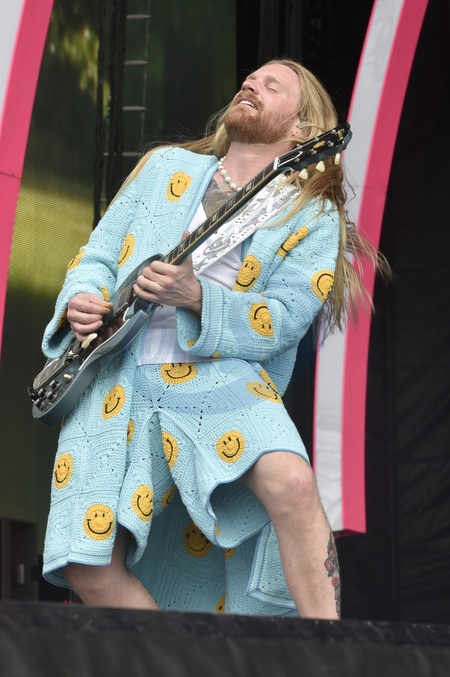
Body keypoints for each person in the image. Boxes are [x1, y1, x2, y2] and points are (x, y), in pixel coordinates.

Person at [41, 58, 381, 619]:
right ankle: (185, 659)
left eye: (272, 86)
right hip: (112, 381)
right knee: (85, 562)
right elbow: (97, 254)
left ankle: (334, 651)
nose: (251, 84)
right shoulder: (164, 168)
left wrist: (199, 297)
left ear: (302, 128)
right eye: (251, 79)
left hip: (215, 374)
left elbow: (286, 317)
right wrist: (82, 298)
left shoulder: (310, 214)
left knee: (294, 485)